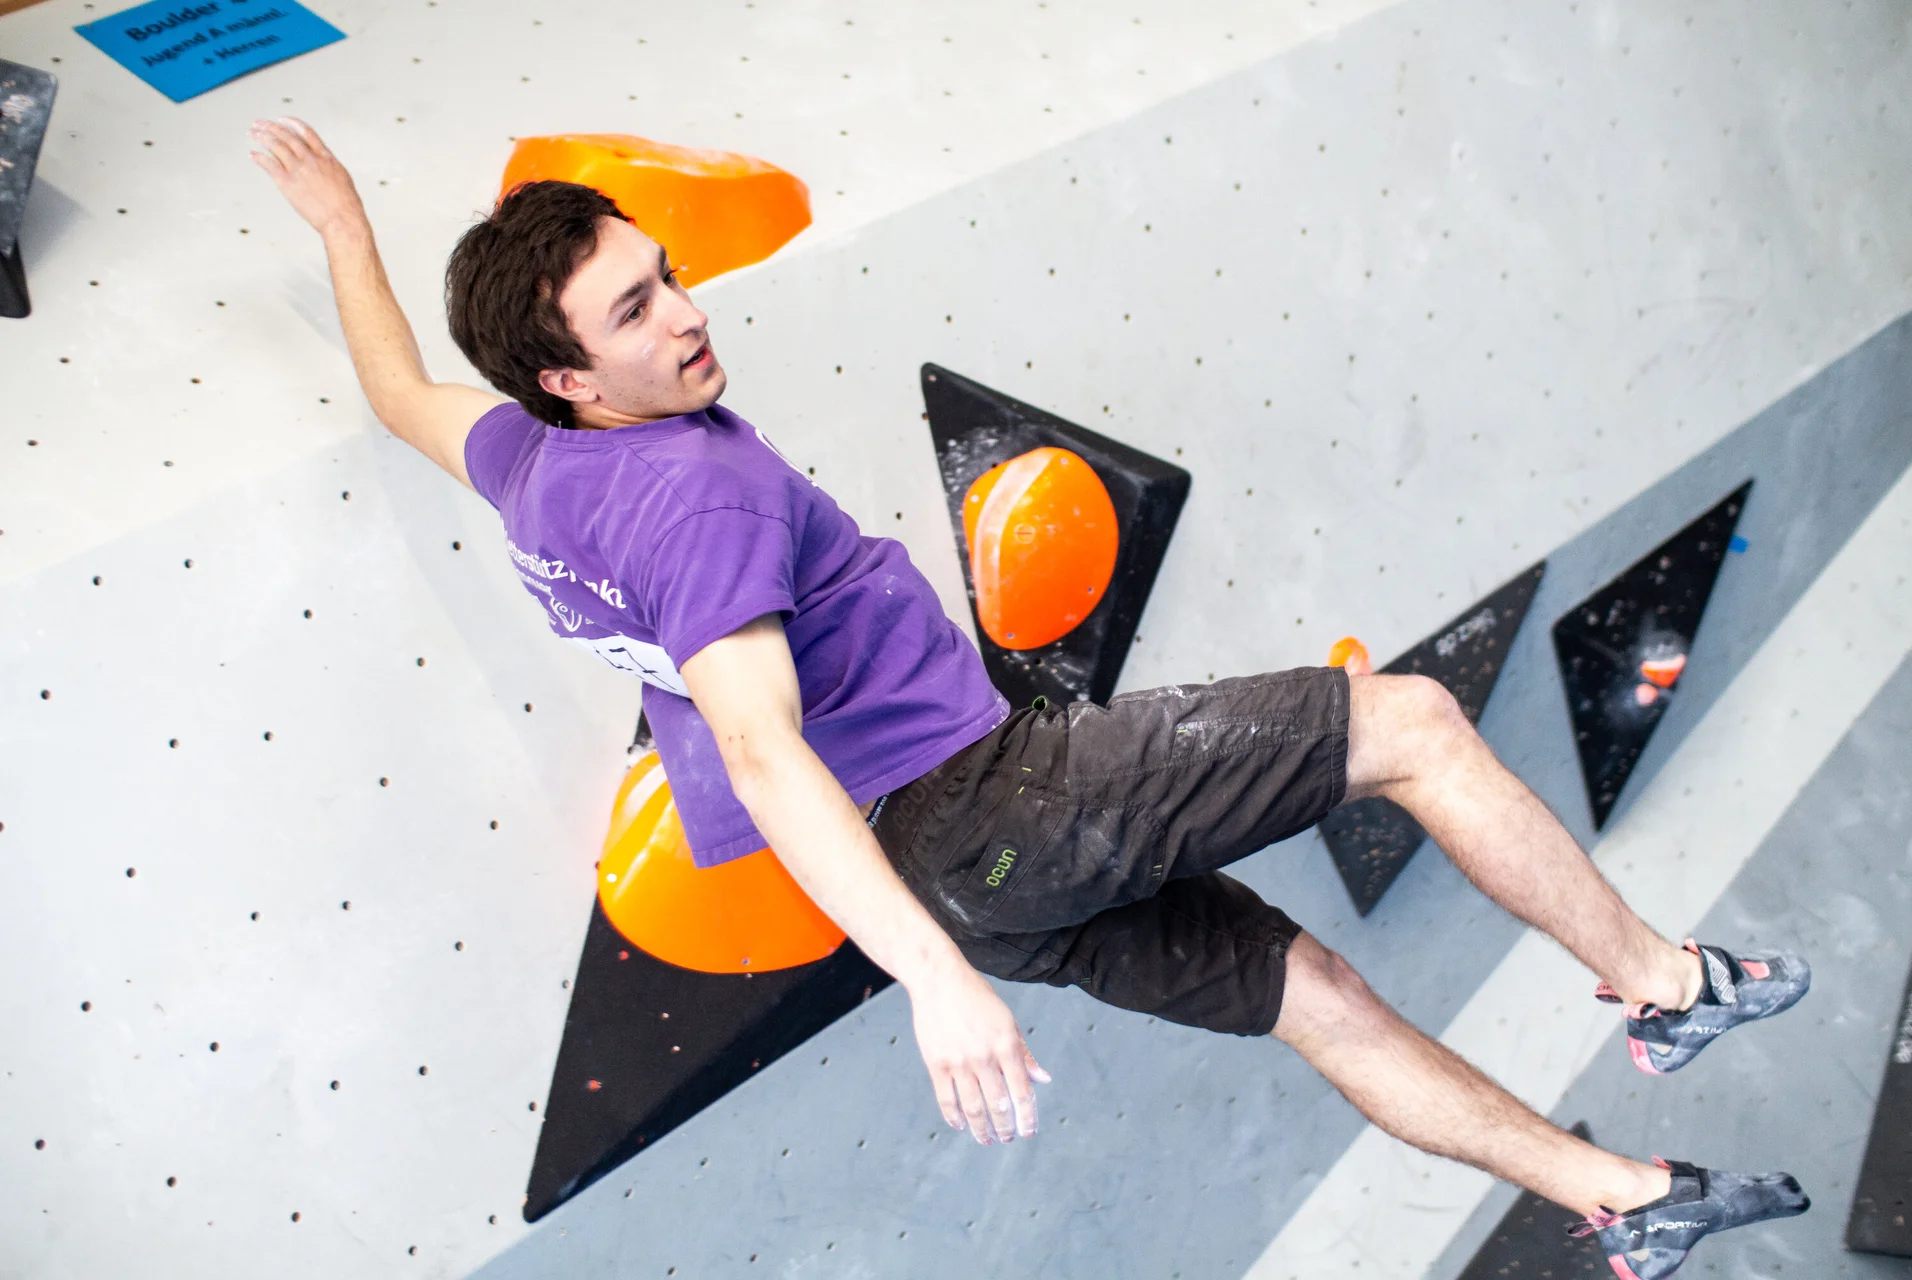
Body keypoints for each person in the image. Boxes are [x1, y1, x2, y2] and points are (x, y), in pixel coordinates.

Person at [248, 117, 1811, 1279]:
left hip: (986, 880)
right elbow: (760, 749)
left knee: (1312, 997)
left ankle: (1622, 1198)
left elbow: (399, 394)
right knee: (1410, 724)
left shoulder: (534, 464)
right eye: (637, 314)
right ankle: (1670, 987)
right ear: (576, 377)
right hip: (982, 808)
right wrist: (931, 979)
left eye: (665, 279)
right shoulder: (687, 503)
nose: (686, 316)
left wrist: (341, 226)